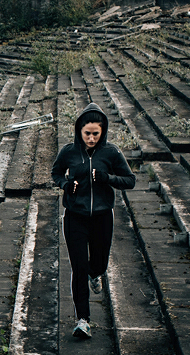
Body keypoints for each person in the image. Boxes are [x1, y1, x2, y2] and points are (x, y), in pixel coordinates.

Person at [51, 102, 135, 340]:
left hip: (102, 218)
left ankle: (95, 273)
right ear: (79, 131)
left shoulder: (111, 153)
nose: (90, 138)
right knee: (78, 267)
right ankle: (83, 320)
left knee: (98, 263)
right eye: (86, 133)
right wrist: (66, 185)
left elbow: (130, 180)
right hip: (74, 217)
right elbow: (56, 173)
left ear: (103, 132)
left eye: (95, 134)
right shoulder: (69, 151)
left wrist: (108, 178)